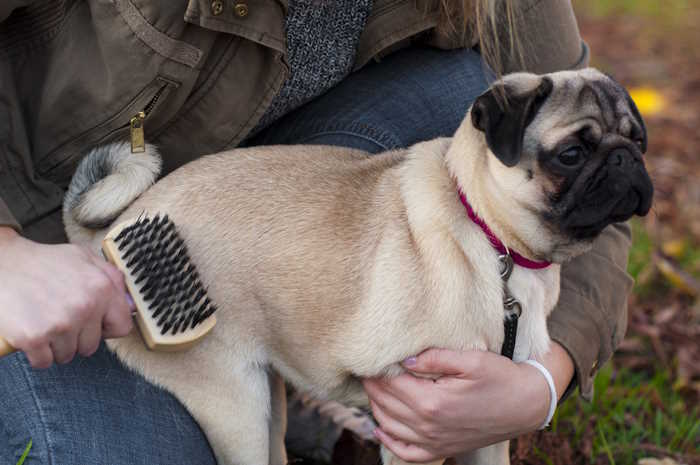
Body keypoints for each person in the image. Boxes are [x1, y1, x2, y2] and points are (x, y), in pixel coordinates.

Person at [0, 1, 633, 463]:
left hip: (297, 182)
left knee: (464, 91)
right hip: (51, 226)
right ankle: (294, 375)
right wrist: (6, 255)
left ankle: (311, 339)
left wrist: (540, 384)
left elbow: (599, 201)